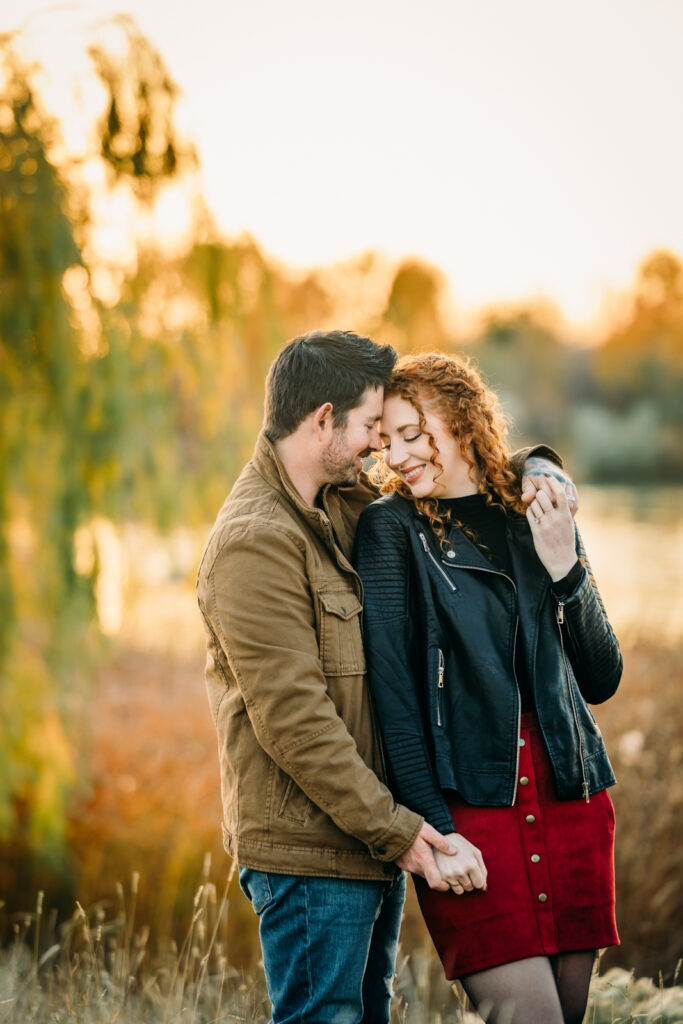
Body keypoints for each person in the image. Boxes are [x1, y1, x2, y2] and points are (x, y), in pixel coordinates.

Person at [196, 330, 577, 1024]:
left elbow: (463, 468)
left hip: (366, 841)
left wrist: (542, 469)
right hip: (311, 854)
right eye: (371, 426)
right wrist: (405, 835)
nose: (380, 445)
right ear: (322, 422)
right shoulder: (255, 541)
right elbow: (296, 723)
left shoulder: (340, 500)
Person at [353, 351, 622, 1024]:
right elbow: (395, 700)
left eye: (414, 432)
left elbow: (602, 677)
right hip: (472, 803)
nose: (400, 455)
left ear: (462, 416)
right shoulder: (391, 530)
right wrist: (436, 833)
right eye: (387, 441)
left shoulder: (536, 504)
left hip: (570, 792)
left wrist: (566, 569)